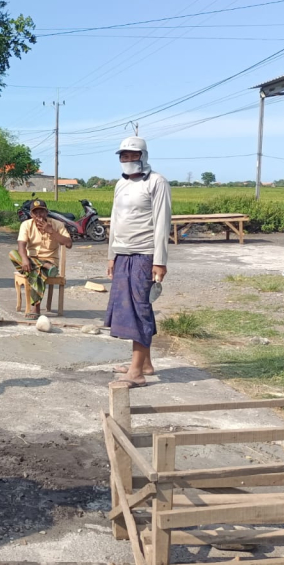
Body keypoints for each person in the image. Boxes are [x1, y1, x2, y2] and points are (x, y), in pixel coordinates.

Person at [105, 136, 171, 389]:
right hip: (123, 254)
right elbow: (115, 219)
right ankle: (144, 364)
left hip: (144, 255)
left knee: (140, 309)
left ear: (143, 156)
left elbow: (162, 223)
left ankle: (136, 372)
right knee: (127, 309)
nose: (128, 159)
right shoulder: (120, 186)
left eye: (133, 155)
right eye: (124, 155)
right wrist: (112, 255)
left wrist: (160, 261)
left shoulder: (157, 182)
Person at [11, 199, 72, 320]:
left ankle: (36, 308)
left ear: (47, 212)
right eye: (36, 213)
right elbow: (21, 246)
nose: (39, 216)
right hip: (30, 261)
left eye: (42, 212)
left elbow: (69, 244)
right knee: (13, 254)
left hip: (50, 261)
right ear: (31, 214)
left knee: (36, 272)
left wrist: (51, 231)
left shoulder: (57, 225)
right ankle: (43, 265)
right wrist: (24, 259)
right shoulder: (26, 225)